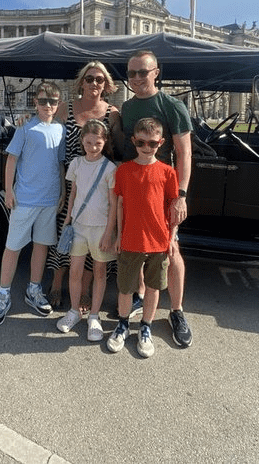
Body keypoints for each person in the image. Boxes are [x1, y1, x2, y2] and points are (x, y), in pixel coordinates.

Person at [114, 50, 194, 348]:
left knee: (170, 249)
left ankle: (176, 310)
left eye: (142, 72)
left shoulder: (172, 105)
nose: (136, 78)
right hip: (137, 187)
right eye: (131, 73)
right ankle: (140, 298)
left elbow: (184, 152)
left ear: (156, 72)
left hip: (165, 190)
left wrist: (181, 196)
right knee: (137, 247)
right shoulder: (128, 107)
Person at [0, 82, 66, 326]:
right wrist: (9, 190)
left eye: (52, 102)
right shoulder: (25, 128)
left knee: (41, 245)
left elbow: (60, 163)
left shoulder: (61, 130)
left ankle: (33, 289)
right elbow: (12, 160)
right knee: (13, 247)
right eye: (43, 101)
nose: (47, 106)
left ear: (58, 104)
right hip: (25, 198)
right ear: (35, 102)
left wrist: (62, 191)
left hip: (49, 198)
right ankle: (3, 293)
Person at [47, 61, 120, 312]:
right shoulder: (66, 109)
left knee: (95, 238)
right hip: (70, 181)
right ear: (81, 82)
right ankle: (57, 282)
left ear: (106, 84)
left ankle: (86, 290)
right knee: (65, 234)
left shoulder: (113, 113)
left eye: (99, 79)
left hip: (100, 185)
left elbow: (118, 150)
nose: (94, 84)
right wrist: (26, 120)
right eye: (89, 79)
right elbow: (48, 135)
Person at [106, 117, 179, 358]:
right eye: (141, 143)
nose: (146, 148)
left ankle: (145, 326)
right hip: (130, 238)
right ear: (133, 141)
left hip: (159, 239)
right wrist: (116, 234)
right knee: (125, 287)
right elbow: (119, 204)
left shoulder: (168, 172)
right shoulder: (124, 170)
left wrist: (172, 238)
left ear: (161, 143)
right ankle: (123, 323)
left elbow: (172, 207)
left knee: (153, 286)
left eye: (152, 143)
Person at [55, 119, 118, 341]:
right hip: (79, 227)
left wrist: (110, 231)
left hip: (101, 228)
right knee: (75, 271)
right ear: (82, 141)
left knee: (100, 272)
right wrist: (67, 220)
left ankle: (94, 315)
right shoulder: (76, 164)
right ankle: (74, 311)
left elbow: (113, 203)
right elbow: (73, 194)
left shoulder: (110, 168)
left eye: (97, 143)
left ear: (104, 142)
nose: (92, 147)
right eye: (89, 142)